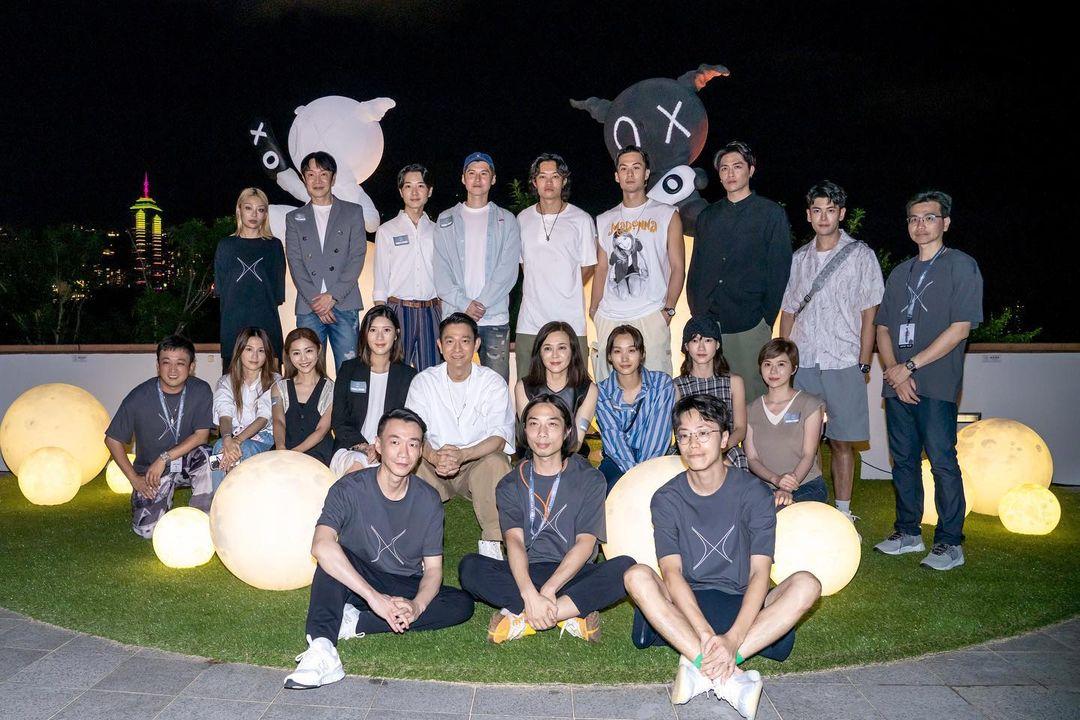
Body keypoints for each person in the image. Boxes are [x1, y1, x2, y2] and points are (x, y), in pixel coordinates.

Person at [623, 394, 821, 719]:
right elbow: (671, 572)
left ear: (725, 438)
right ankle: (729, 678)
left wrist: (733, 639)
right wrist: (704, 633)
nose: (693, 444)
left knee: (808, 584)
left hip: (742, 602)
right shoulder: (666, 498)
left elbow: (760, 572)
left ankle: (705, 666)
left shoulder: (754, 492)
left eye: (704, 433)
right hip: (688, 604)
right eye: (684, 435)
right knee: (636, 575)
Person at [284, 408, 475, 690]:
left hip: (403, 581)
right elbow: (320, 545)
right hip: (359, 577)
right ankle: (322, 648)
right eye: (395, 442)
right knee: (332, 557)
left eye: (413, 444)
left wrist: (417, 606)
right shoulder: (349, 488)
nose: (404, 453)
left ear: (420, 451)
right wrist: (374, 598)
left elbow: (433, 569)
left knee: (461, 604)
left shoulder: (429, 499)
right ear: (378, 445)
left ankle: (355, 623)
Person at [458, 395, 635, 644]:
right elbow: (514, 541)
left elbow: (586, 543)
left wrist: (550, 589)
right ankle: (569, 611)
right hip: (525, 572)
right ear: (525, 431)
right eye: (534, 424)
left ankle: (527, 617)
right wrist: (529, 593)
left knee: (626, 568)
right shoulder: (510, 483)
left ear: (567, 431)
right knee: (470, 567)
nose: (542, 433)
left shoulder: (590, 478)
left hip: (573, 572)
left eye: (552, 424)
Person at [873, 190, 983, 571]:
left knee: (941, 461)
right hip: (897, 383)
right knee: (903, 461)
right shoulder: (899, 272)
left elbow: (961, 328)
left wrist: (911, 366)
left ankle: (950, 542)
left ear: (945, 223)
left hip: (935, 383)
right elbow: (883, 328)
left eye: (930, 217)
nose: (921, 225)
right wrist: (894, 371)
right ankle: (908, 532)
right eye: (914, 219)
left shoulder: (961, 266)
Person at [779, 181, 883, 521]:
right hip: (805, 360)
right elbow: (789, 310)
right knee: (803, 441)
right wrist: (785, 359)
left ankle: (843, 511)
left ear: (841, 213)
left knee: (842, 441)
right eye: (817, 210)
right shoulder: (798, 259)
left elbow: (870, 313)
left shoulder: (861, 256)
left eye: (831, 210)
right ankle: (808, 507)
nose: (824, 217)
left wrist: (863, 362)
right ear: (808, 215)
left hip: (843, 359)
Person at [687, 140, 792, 401]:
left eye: (737, 166)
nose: (730, 173)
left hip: (749, 323)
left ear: (751, 170)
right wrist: (698, 314)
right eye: (724, 168)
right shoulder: (708, 217)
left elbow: (779, 271)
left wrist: (765, 319)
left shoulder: (770, 214)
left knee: (751, 399)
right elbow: (696, 269)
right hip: (710, 325)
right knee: (710, 401)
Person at [405, 312, 516, 559]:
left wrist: (464, 455)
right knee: (408, 459)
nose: (457, 349)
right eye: (450, 341)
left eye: (465, 341)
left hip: (475, 463)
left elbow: (499, 437)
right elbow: (413, 432)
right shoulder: (423, 381)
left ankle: (493, 540)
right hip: (433, 462)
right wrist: (434, 457)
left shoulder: (492, 382)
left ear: (476, 344)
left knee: (497, 462)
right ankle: (415, 543)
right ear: (439, 345)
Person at [104, 335, 215, 538]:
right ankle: (162, 500)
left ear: (191, 367)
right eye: (166, 363)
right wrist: (134, 479)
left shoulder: (201, 390)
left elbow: (201, 436)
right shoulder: (139, 396)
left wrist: (164, 458)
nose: (173, 370)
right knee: (147, 531)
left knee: (208, 455)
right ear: (157, 366)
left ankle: (203, 518)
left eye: (180, 363)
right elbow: (112, 439)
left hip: (186, 462)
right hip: (152, 474)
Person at [590, 145, 684, 381]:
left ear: (646, 173)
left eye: (636, 167)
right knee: (609, 390)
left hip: (651, 314)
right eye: (624, 168)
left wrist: (668, 310)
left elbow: (678, 267)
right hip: (610, 315)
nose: (630, 174)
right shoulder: (604, 219)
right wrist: (594, 310)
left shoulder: (667, 214)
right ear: (616, 176)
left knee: (657, 386)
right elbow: (601, 268)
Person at [433, 152, 521, 382]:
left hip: (494, 318)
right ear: (463, 179)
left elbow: (508, 270)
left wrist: (479, 305)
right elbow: (441, 271)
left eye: (484, 173)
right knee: (452, 384)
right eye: (471, 173)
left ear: (493, 179)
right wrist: (464, 304)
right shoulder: (445, 219)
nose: (478, 179)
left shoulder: (507, 220)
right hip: (455, 317)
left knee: (496, 386)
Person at [515, 153, 597, 378]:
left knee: (574, 387)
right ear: (534, 182)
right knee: (527, 386)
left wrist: (564, 287)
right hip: (530, 323)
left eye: (555, 176)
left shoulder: (581, 220)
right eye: (542, 176)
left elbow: (588, 267)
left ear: (564, 181)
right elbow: (524, 266)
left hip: (571, 321)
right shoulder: (522, 219)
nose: (549, 182)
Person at [285, 151, 368, 372]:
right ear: (303, 179)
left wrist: (332, 297)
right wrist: (317, 302)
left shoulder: (352, 212)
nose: (317, 180)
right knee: (307, 371)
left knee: (349, 369)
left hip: (344, 302)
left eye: (323, 173)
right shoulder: (294, 218)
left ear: (333, 177)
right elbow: (295, 262)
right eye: (311, 174)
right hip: (309, 306)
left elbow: (357, 256)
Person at [330, 306, 418, 477]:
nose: (379, 337)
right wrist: (363, 446)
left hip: (391, 450)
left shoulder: (408, 375)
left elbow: (408, 422)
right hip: (352, 447)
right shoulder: (348, 369)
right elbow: (339, 420)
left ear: (396, 334)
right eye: (373, 330)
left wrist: (381, 448)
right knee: (358, 466)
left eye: (386, 330)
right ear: (365, 334)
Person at [372, 164, 442, 371]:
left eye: (420, 186)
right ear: (401, 191)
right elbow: (381, 277)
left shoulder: (438, 231)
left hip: (431, 311)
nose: (414, 192)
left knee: (431, 373)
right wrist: (382, 315)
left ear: (429, 191)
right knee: (395, 371)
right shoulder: (387, 230)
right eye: (408, 186)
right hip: (398, 310)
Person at [744, 339, 827, 507]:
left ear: (793, 368)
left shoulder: (810, 404)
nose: (773, 370)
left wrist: (786, 487)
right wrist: (776, 480)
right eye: (767, 364)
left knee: (784, 512)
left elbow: (808, 455)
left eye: (781, 364)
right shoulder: (750, 410)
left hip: (805, 485)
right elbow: (752, 458)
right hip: (764, 486)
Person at [594, 325, 675, 492]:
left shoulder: (662, 384)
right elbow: (613, 438)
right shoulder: (601, 392)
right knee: (612, 490)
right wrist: (635, 476)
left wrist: (642, 475)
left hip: (656, 458)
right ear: (609, 356)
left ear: (642, 354)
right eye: (617, 351)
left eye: (631, 350)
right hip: (617, 461)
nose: (624, 358)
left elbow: (658, 435)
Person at [214, 187, 286, 368]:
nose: (254, 214)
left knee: (271, 382)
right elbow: (221, 292)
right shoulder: (225, 246)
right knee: (233, 383)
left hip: (267, 325)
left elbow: (277, 294)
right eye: (248, 208)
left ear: (265, 214)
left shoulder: (274, 246)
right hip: (233, 327)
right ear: (239, 210)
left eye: (260, 209)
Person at [514, 320, 598, 454]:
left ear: (573, 351)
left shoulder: (589, 390)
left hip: (571, 455)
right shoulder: (523, 388)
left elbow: (576, 441)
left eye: (562, 348)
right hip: (534, 455)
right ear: (539, 353)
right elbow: (531, 437)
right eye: (547, 348)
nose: (555, 355)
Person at [674, 316, 747, 470]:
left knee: (737, 461)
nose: (701, 348)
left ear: (717, 344)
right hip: (691, 448)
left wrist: (721, 449)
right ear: (686, 346)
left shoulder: (734, 382)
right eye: (695, 341)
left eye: (708, 340)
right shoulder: (677, 386)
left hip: (726, 448)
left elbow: (740, 429)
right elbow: (679, 431)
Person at [210, 327, 278, 489]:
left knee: (244, 449)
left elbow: (264, 418)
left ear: (267, 354)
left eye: (261, 351)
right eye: (249, 349)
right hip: (233, 435)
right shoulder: (226, 381)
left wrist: (237, 440)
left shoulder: (276, 381)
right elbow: (225, 414)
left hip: (265, 439)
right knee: (219, 447)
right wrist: (228, 439)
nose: (255, 356)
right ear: (239, 351)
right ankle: (219, 498)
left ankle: (241, 498)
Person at [271, 328, 334, 465]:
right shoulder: (279, 388)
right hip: (284, 451)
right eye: (296, 353)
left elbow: (321, 430)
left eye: (309, 351)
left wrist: (296, 452)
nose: (303, 358)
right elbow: (278, 421)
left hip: (318, 456)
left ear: (319, 350)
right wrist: (281, 448)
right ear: (288, 355)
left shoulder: (331, 389)